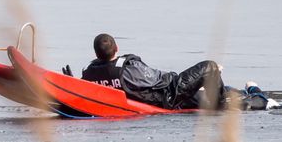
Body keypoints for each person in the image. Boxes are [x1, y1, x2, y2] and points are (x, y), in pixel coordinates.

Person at [64, 33, 228, 110]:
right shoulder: (128, 68)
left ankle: (247, 92)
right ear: (117, 48)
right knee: (211, 67)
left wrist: (71, 83)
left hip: (149, 98)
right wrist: (181, 79)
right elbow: (158, 81)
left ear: (95, 53)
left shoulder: (89, 73)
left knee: (214, 94)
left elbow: (85, 90)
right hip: (166, 98)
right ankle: (222, 105)